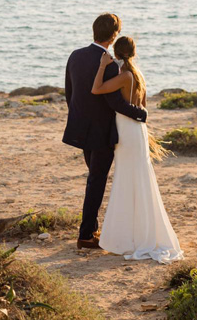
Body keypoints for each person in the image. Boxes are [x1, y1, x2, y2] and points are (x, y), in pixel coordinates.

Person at [91, 36, 183, 264]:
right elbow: (142, 106)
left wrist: (102, 65)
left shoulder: (124, 76)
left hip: (126, 132)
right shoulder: (138, 75)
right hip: (137, 130)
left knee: (126, 180)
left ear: (117, 52)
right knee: (138, 180)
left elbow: (96, 89)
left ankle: (128, 238)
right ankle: (140, 233)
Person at [62, 13, 147, 250]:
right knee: (96, 182)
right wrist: (141, 114)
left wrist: (79, 119)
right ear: (113, 35)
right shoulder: (109, 63)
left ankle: (93, 228)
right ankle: (86, 235)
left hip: (81, 129)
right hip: (102, 134)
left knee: (94, 179)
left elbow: (70, 93)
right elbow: (115, 104)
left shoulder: (75, 56)